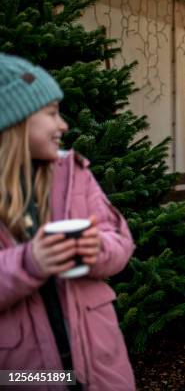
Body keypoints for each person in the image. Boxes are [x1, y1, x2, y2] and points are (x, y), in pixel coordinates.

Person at [0, 53, 135, 389]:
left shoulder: (74, 174)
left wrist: (98, 248)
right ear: (14, 122)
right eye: (51, 114)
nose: (63, 125)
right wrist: (29, 263)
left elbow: (120, 240)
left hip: (101, 362)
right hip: (24, 374)